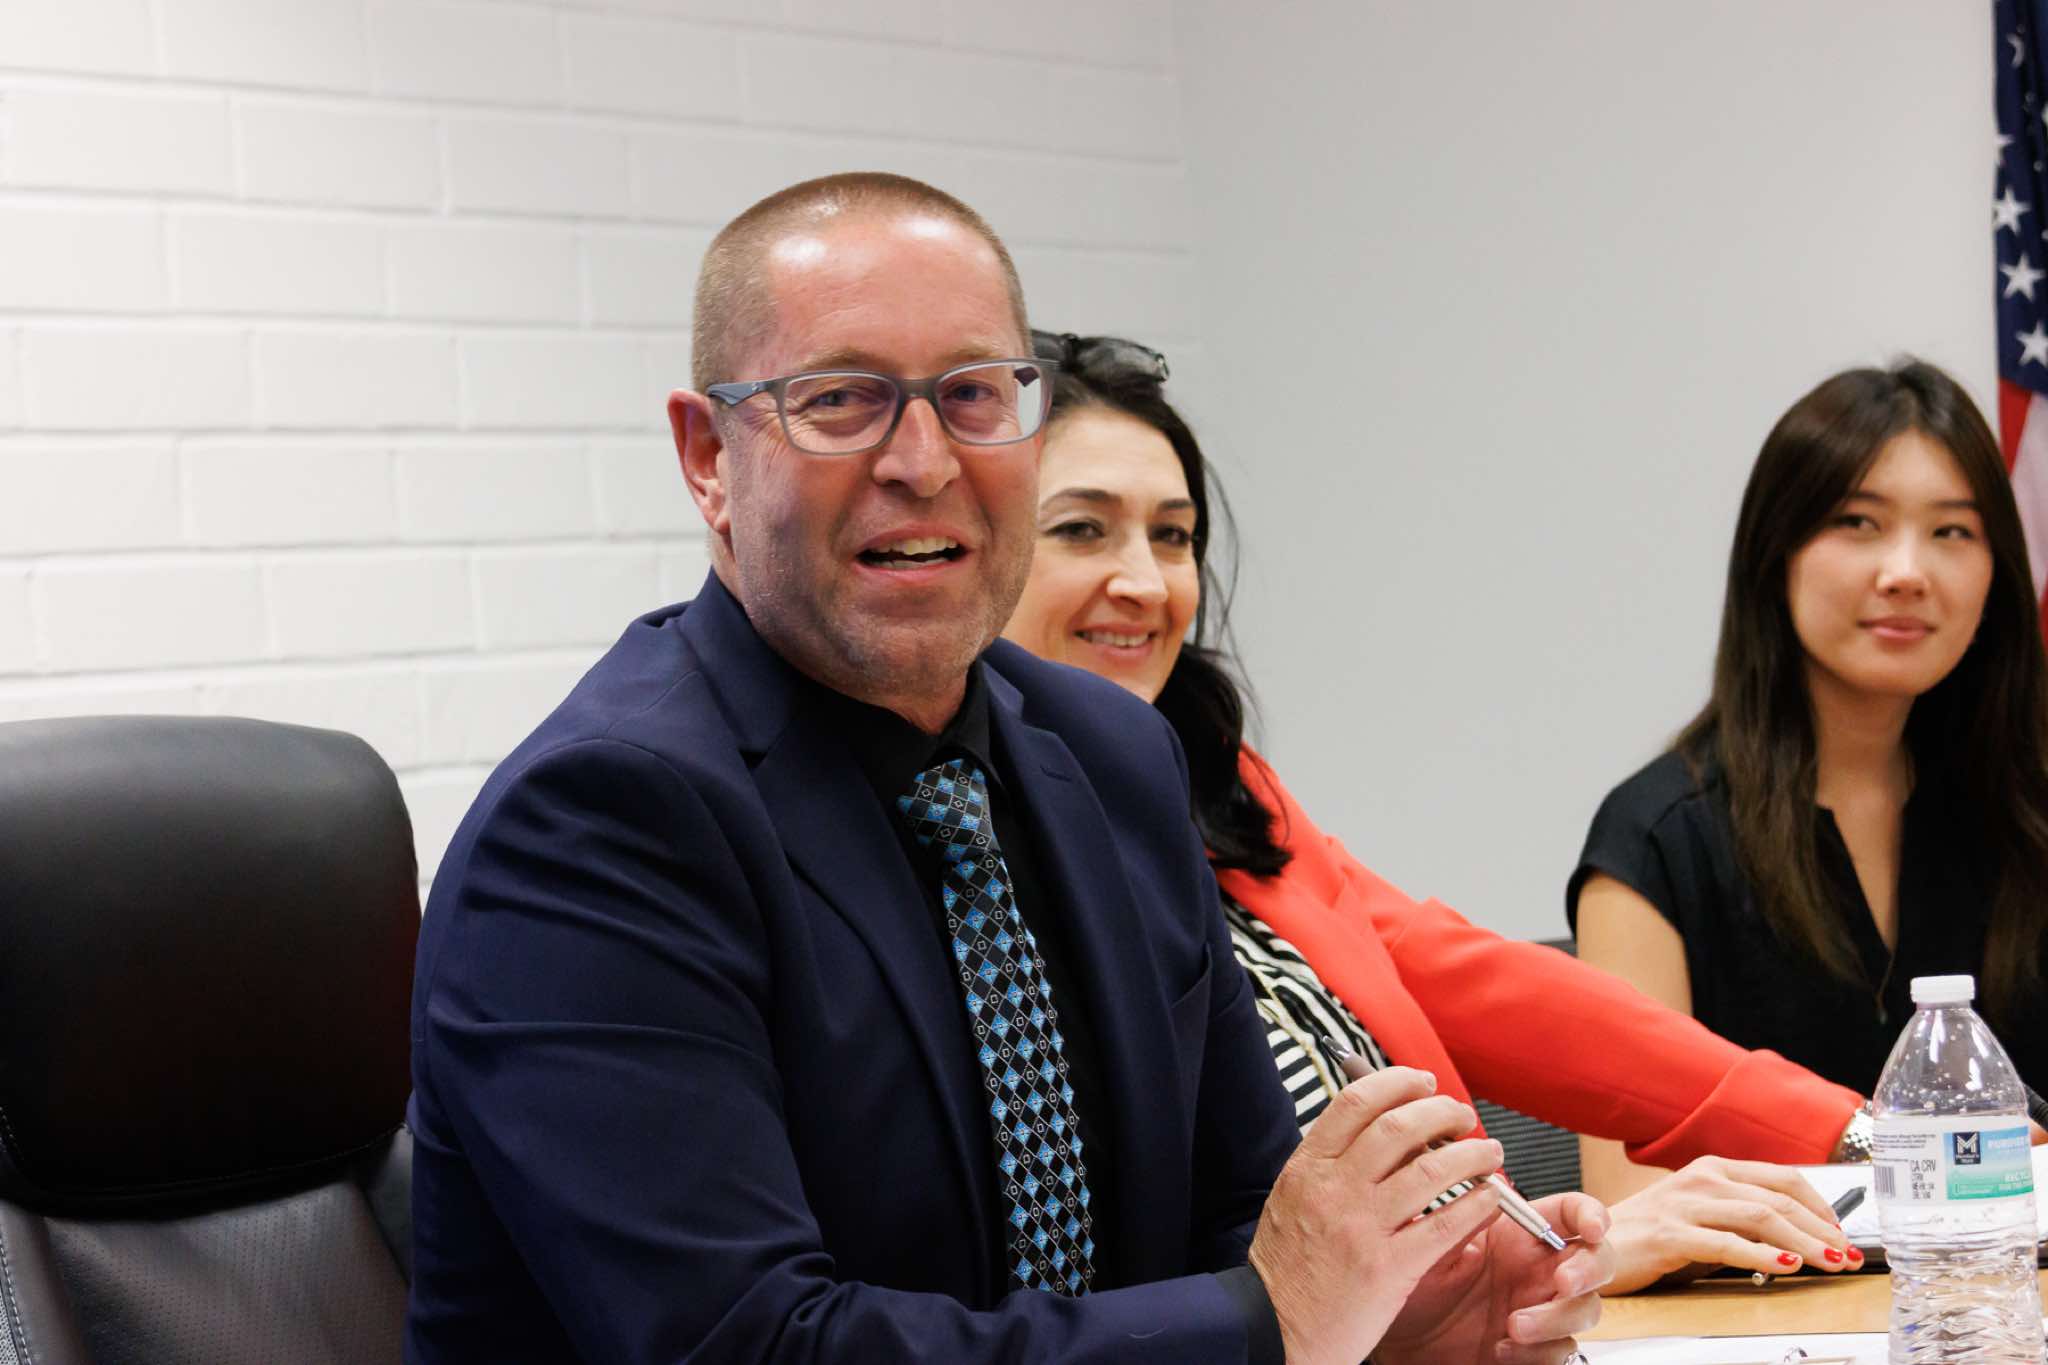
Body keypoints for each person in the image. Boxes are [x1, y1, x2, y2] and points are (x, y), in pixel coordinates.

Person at [405, 174, 1612, 1365]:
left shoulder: (1111, 754)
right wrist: (1272, 1324)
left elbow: (1239, 1222)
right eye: (842, 400)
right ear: (707, 456)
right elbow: (750, 1346)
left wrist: (1385, 1326)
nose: (923, 461)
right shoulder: (597, 827)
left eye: (975, 395)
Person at [999, 329, 1868, 1295]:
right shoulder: (977, 860)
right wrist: (1565, 1256)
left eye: (1173, 536)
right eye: (1081, 530)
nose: (1146, 582)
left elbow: (1475, 982)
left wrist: (1852, 1130)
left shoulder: (1217, 783)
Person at [1570, 359, 2048, 1200]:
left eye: (1952, 531)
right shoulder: (1658, 838)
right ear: (1775, 554)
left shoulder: (2026, 812)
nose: (1907, 571)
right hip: (1761, 1286)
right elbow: (1628, 1204)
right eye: (1859, 522)